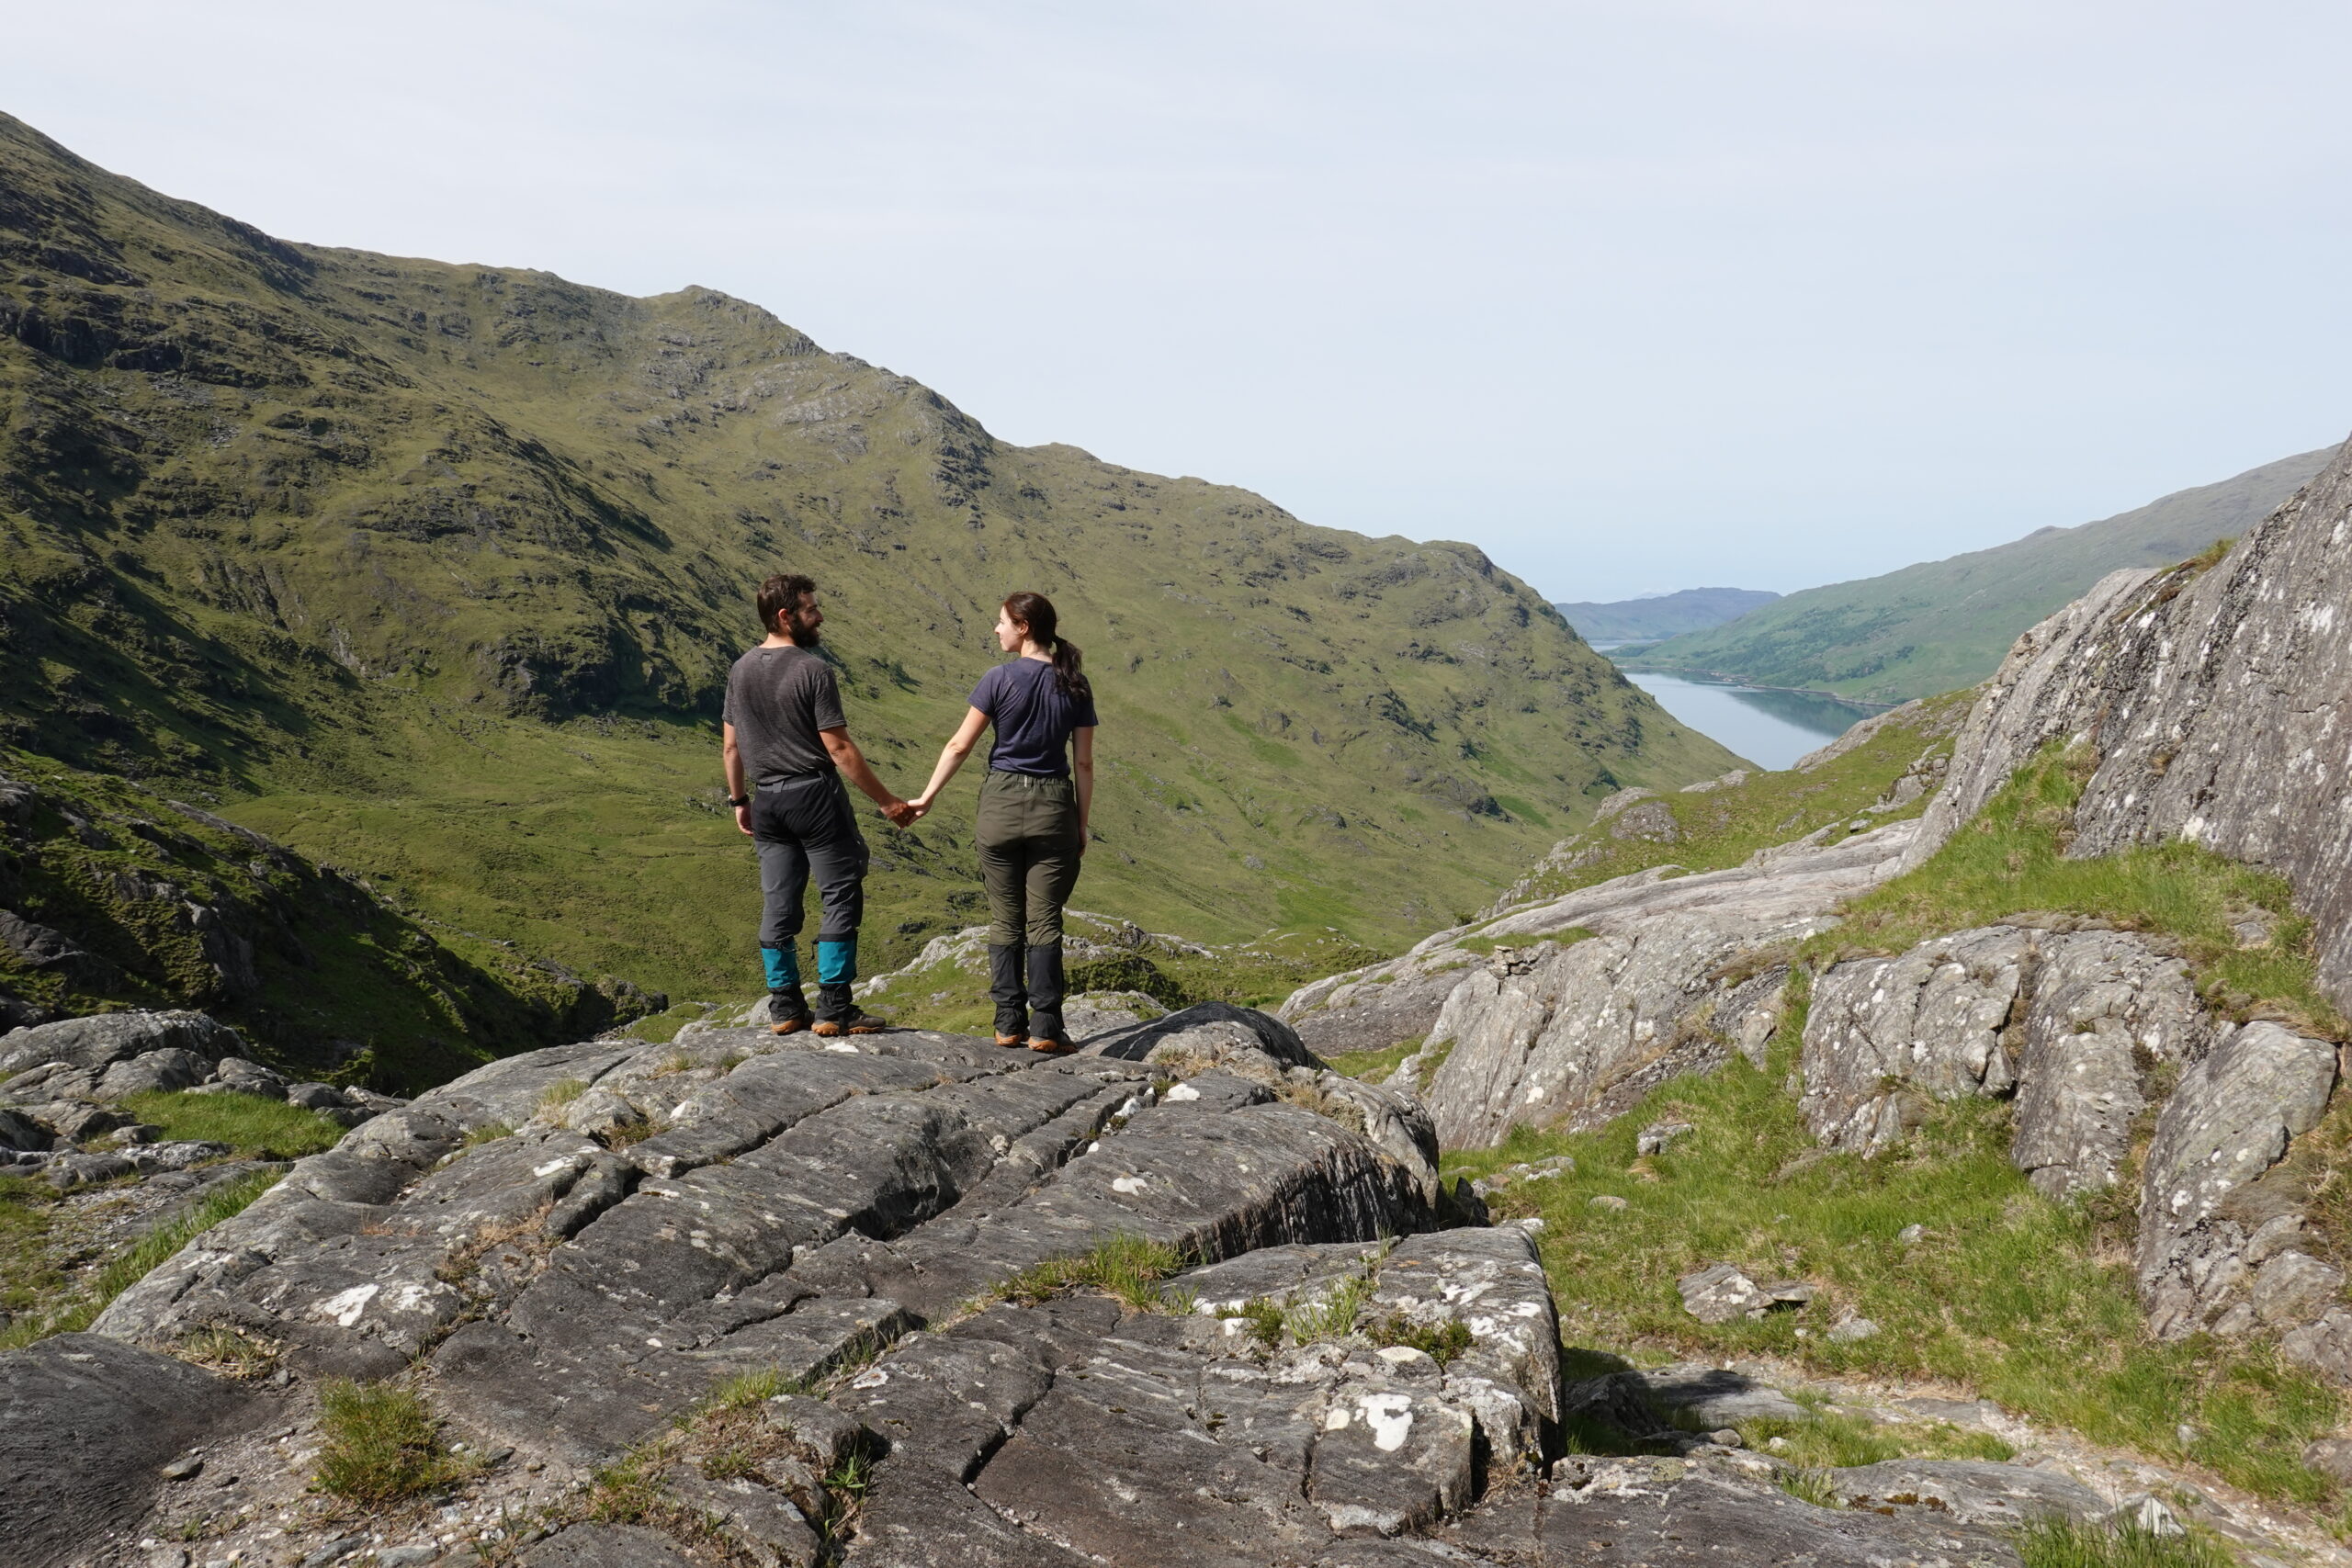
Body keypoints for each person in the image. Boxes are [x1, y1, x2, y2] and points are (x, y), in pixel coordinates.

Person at [722, 573, 917, 1036]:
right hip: (814, 796)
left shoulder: (740, 669)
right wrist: (888, 803)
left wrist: (740, 800)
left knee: (778, 902)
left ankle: (785, 1006)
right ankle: (834, 1007)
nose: (820, 616)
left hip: (767, 799)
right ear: (785, 616)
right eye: (811, 609)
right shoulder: (812, 670)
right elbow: (839, 749)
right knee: (840, 893)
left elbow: (731, 747)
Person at [910, 592, 1097, 1053]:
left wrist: (927, 798)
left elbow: (959, 746)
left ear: (1024, 627)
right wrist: (1080, 824)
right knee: (1045, 921)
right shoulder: (1075, 683)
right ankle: (1046, 1027)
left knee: (1005, 919)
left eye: (1001, 622)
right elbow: (1084, 763)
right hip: (1054, 807)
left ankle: (1008, 1023)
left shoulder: (998, 679)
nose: (996, 629)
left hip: (1000, 804)